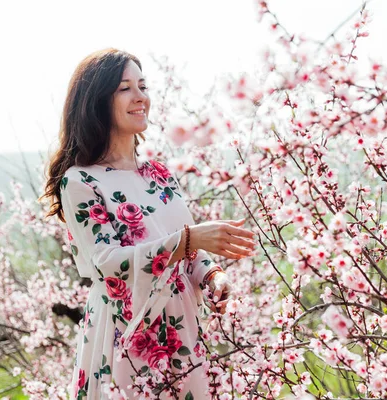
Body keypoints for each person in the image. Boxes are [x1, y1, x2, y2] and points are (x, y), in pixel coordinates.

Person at [39, 48, 255, 399]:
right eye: (125, 88)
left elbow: (188, 251)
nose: (141, 97)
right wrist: (190, 239)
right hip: (128, 334)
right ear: (97, 102)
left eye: (143, 85)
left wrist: (213, 276)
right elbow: (107, 262)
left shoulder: (159, 174)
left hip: (181, 330)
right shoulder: (80, 182)